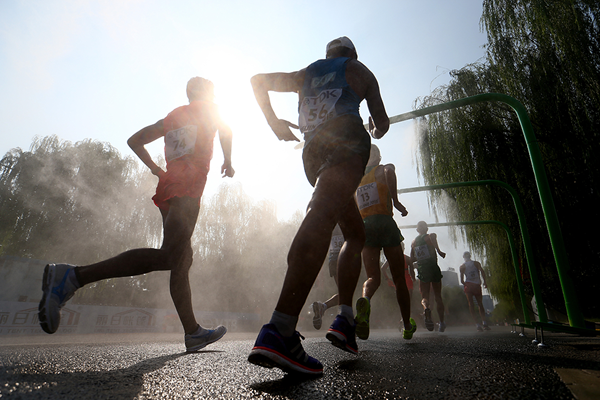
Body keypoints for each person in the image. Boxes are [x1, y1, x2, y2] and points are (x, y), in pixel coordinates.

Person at [38, 77, 235, 353]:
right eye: (212, 92)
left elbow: (134, 141)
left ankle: (192, 332)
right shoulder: (209, 109)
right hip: (188, 188)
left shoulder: (172, 117)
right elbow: (226, 130)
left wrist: (157, 169)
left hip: (170, 187)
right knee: (171, 256)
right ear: (204, 93)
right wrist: (228, 159)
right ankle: (72, 277)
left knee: (181, 259)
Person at [248, 36, 390, 375]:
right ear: (352, 54)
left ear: (327, 55)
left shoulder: (306, 73)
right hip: (345, 143)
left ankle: (344, 318)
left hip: (313, 154)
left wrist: (274, 122)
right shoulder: (359, 70)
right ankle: (280, 328)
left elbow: (257, 82)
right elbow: (382, 125)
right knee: (322, 213)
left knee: (356, 233)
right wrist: (375, 126)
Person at [354, 144, 416, 340]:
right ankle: (407, 325)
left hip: (365, 226)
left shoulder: (357, 178)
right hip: (384, 221)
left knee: (372, 277)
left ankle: (365, 300)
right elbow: (389, 172)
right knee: (399, 278)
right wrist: (396, 202)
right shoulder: (383, 167)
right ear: (378, 156)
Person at [410, 221, 447, 332]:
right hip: (433, 267)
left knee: (424, 297)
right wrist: (439, 252)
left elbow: (412, 259)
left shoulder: (413, 242)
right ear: (426, 228)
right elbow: (434, 240)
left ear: (417, 230)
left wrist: (418, 260)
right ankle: (441, 322)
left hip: (423, 269)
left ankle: (426, 308)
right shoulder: (430, 236)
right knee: (438, 296)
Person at [311, 224, 343, 330]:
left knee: (344, 293)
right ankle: (345, 324)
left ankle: (323, 307)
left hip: (333, 259)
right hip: (345, 256)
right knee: (346, 293)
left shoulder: (330, 221)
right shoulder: (346, 216)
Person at [459, 251, 491, 331]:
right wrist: (485, 282)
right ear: (470, 256)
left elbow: (462, 280)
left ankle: (477, 324)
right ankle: (484, 323)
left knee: (471, 304)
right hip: (476, 285)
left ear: (463, 257)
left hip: (469, 285)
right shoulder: (476, 263)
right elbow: (482, 272)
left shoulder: (462, 266)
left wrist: (466, 285)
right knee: (480, 304)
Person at [382, 241, 416, 314]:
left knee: (402, 301)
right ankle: (407, 318)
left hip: (398, 280)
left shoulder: (392, 258)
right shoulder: (407, 258)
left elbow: (383, 268)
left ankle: (403, 318)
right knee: (409, 300)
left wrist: (387, 279)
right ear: (403, 248)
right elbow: (412, 270)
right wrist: (414, 279)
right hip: (407, 279)